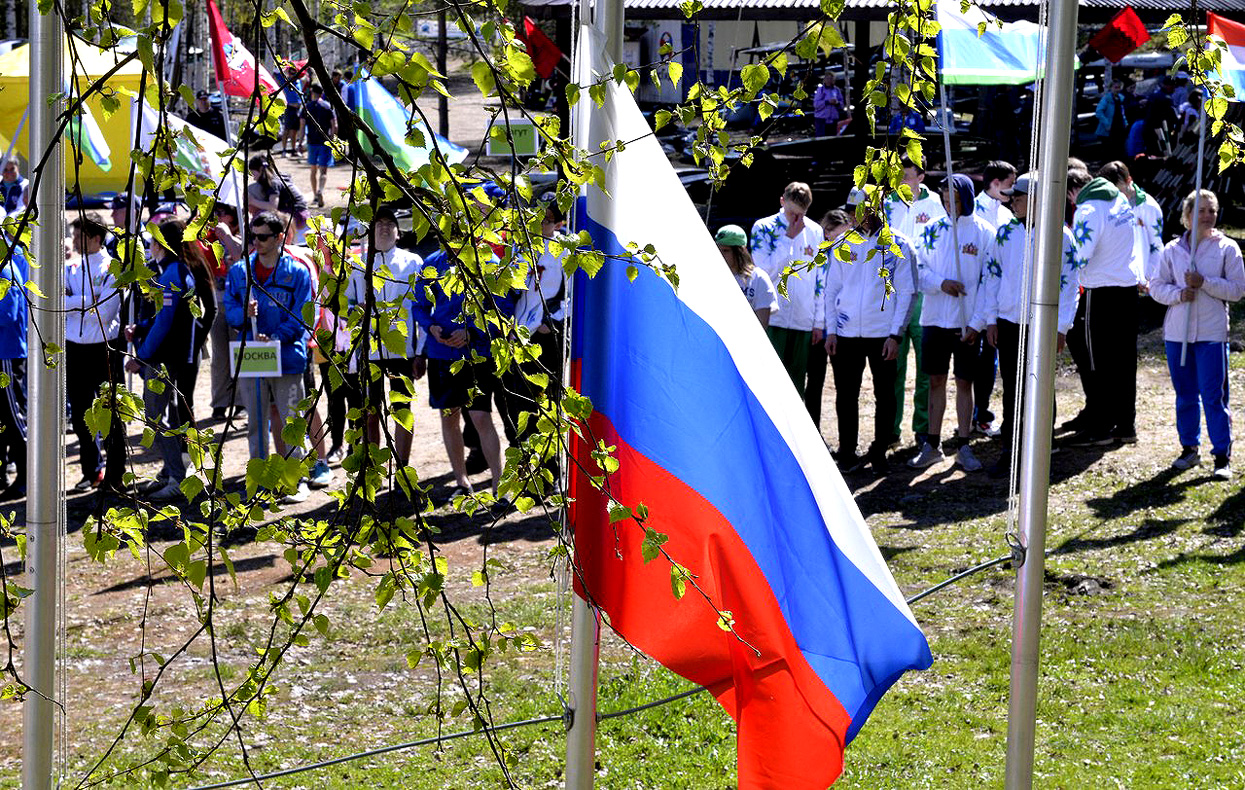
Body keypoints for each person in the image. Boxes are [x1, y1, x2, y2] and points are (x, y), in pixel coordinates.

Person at [980, 172, 1081, 479]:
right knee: (1012, 389)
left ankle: (1041, 453)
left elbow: (1070, 284)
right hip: (1009, 323)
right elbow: (992, 276)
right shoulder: (1006, 233)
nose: (1012, 203)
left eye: (1018, 198)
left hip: (1043, 325)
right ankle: (1011, 453)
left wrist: (1062, 326)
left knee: (1039, 387)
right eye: (1011, 198)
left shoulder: (1060, 237)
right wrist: (990, 319)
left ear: (1037, 200)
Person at [1149, 190, 1245, 479]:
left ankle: (1221, 456)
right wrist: (1179, 294)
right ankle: (1189, 448)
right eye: (1201, 210)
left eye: (1212, 211)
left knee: (1213, 395)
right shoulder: (1172, 250)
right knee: (1186, 394)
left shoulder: (1227, 248)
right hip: (1177, 334)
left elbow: (1237, 290)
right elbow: (1155, 286)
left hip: (1212, 333)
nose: (1207, 216)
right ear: (1188, 215)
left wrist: (1205, 283)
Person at [823, 190, 917, 475]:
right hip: (846, 332)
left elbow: (907, 293)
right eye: (850, 210)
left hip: (882, 334)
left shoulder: (898, 244)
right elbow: (831, 290)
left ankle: (879, 449)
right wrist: (830, 331)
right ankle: (848, 452)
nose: (852, 216)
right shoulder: (842, 243)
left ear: (874, 209)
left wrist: (895, 335)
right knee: (845, 395)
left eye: (857, 210)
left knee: (885, 395)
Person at [223, 210, 314, 502]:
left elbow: (303, 314)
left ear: (278, 238)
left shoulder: (297, 271)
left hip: (287, 356)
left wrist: (276, 337)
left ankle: (294, 481)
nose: (257, 243)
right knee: (257, 422)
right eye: (253, 237)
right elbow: (229, 309)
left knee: (290, 421)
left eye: (263, 237)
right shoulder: (240, 272)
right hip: (253, 355)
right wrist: (243, 314)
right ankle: (260, 482)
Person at [910, 174, 997, 471]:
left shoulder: (984, 233)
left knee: (964, 382)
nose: (949, 205)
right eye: (945, 199)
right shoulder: (931, 230)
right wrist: (939, 283)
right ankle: (932, 445)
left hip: (966, 323)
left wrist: (977, 323)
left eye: (954, 200)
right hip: (934, 319)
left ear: (967, 198)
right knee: (935, 380)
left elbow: (989, 282)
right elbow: (918, 270)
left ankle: (963, 445)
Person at [125, 217, 213, 502]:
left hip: (165, 357)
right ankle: (169, 471)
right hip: (170, 354)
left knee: (157, 417)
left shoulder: (174, 272)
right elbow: (161, 319)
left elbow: (165, 322)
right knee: (166, 415)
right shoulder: (176, 269)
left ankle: (176, 476)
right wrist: (140, 330)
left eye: (154, 240)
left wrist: (143, 356)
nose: (150, 246)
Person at [410, 244, 507, 498]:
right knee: (449, 417)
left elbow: (499, 306)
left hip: (477, 354)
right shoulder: (433, 262)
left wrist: (472, 332)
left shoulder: (486, 259)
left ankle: (499, 486)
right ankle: (462, 483)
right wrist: (431, 328)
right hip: (442, 354)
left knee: (481, 417)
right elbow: (418, 305)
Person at [1064, 169, 1141, 447]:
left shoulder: (1087, 208)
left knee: (1099, 361)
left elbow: (1081, 256)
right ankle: (1125, 423)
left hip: (1100, 292)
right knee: (1124, 361)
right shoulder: (1120, 201)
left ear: (1074, 189)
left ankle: (1101, 427)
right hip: (1127, 288)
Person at [345, 205, 422, 471]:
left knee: (402, 410)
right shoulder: (357, 263)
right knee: (369, 411)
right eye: (379, 223)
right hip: (369, 350)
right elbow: (348, 307)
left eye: (390, 223)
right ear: (369, 229)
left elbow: (420, 309)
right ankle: (372, 465)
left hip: (403, 350)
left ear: (399, 232)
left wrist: (420, 351)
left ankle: (402, 464)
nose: (385, 227)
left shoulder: (413, 262)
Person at [748, 182, 827, 418]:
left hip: (803, 318)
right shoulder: (764, 227)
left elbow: (819, 277)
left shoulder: (814, 231)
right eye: (792, 213)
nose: (796, 219)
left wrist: (818, 321)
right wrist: (788, 240)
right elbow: (762, 271)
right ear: (782, 202)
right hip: (773, 316)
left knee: (795, 385)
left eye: (801, 214)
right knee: (769, 383)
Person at [884, 158, 944, 451]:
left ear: (921, 176)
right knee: (892, 363)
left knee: (925, 366)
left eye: (906, 176)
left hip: (924, 293)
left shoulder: (935, 205)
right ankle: (890, 430)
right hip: (893, 292)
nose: (900, 182)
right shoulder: (886, 204)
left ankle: (922, 428)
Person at [66, 213, 123, 491]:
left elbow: (106, 311)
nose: (74, 240)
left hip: (103, 349)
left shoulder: (111, 266)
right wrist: (86, 301)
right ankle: (92, 471)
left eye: (79, 235)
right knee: (79, 415)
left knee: (110, 413)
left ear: (96, 238)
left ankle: (116, 473)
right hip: (74, 349)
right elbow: (56, 302)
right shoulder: (70, 266)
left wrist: (74, 305)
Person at [970, 161, 1017, 435]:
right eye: (1010, 183)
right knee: (978, 360)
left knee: (991, 357)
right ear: (996, 183)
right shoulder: (974, 211)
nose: (1012, 191)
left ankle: (982, 412)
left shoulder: (1009, 214)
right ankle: (975, 415)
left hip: (1000, 298)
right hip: (975, 297)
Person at [207, 202, 244, 419]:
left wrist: (228, 238)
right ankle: (219, 403)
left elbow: (242, 257)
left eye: (222, 213)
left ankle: (240, 402)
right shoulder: (208, 240)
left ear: (233, 216)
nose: (218, 217)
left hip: (240, 304)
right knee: (220, 356)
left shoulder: (244, 238)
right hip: (217, 303)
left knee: (238, 353)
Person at [0, 242, 27, 500]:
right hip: (3, 353)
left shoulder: (5, 271)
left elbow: (7, 315)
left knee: (15, 418)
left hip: (7, 354)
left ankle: (27, 476)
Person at [716, 224, 777, 327]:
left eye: (725, 251)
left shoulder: (759, 278)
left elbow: (762, 323)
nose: (720, 255)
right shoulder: (711, 277)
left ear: (740, 251)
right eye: (718, 249)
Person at [247, 154, 309, 240]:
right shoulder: (278, 178)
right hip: (301, 213)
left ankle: (254, 240)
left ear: (261, 170)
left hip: (297, 215)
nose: (254, 178)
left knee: (261, 216)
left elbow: (272, 206)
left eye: (253, 174)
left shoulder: (274, 183)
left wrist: (252, 201)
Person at [299, 84, 337, 208]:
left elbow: (302, 126)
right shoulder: (327, 106)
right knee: (323, 170)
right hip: (324, 141)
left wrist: (300, 142)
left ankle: (315, 195)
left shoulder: (307, 107)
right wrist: (332, 139)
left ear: (312, 92)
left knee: (313, 170)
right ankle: (321, 189)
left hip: (311, 142)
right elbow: (334, 126)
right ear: (322, 93)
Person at [277, 64, 305, 157]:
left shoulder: (298, 82)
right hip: (289, 108)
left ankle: (293, 150)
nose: (293, 75)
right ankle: (284, 150)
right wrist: (283, 65)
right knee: (286, 130)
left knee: (294, 131)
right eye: (291, 73)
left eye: (295, 73)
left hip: (298, 109)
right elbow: (276, 73)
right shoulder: (285, 80)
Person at [1095, 80, 1128, 157]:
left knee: (1119, 149)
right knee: (1109, 151)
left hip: (1119, 127)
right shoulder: (1106, 99)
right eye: (1115, 87)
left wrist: (1125, 122)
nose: (1117, 89)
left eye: (1119, 87)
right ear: (1111, 88)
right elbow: (1099, 112)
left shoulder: (1121, 98)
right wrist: (1106, 123)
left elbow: (1122, 113)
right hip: (1109, 129)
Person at [812, 72, 846, 137]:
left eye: (831, 79)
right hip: (821, 120)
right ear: (824, 79)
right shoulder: (820, 90)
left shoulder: (837, 90)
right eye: (828, 78)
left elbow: (842, 105)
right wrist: (827, 102)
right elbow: (816, 104)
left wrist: (837, 103)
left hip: (833, 120)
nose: (829, 80)